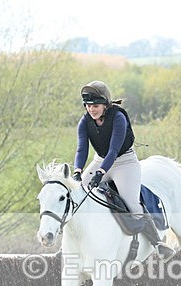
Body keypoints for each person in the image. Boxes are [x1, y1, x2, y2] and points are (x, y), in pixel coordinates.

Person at [73, 80, 174, 260]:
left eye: (95, 105)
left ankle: (158, 244)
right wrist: (77, 171)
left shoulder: (118, 117)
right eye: (88, 106)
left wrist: (100, 173)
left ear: (106, 104)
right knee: (78, 195)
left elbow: (113, 150)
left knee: (132, 204)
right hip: (100, 161)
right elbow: (82, 149)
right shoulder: (85, 121)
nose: (91, 109)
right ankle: (72, 243)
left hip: (124, 163)